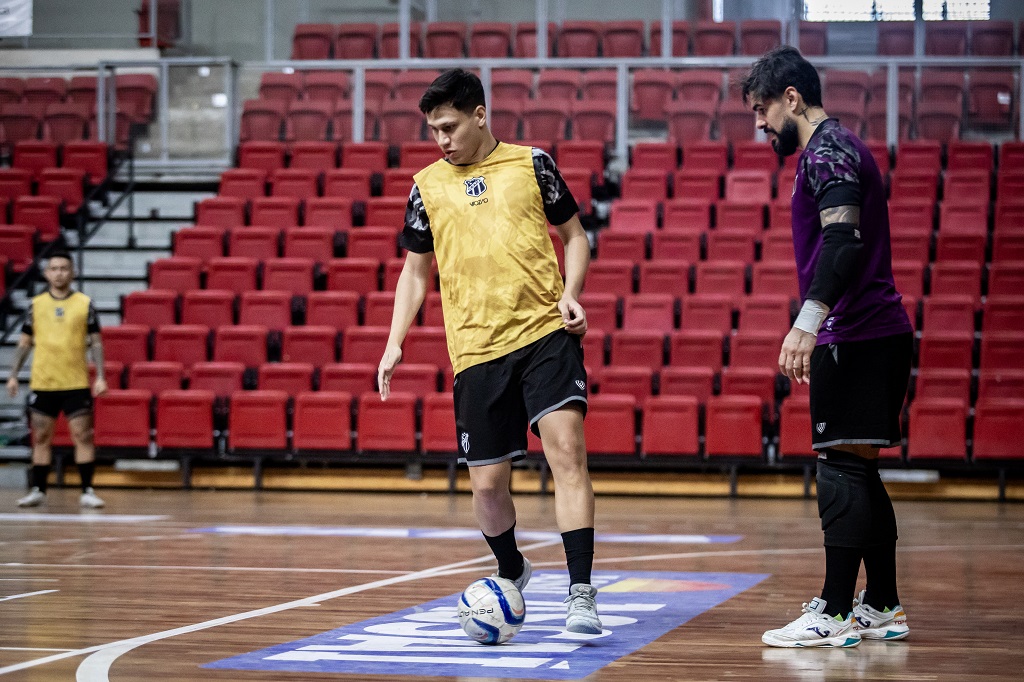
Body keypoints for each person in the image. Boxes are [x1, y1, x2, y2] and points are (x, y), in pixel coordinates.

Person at [377, 69, 602, 634]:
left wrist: (570, 294)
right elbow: (414, 272)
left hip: (544, 335)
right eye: (433, 131)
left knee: (566, 453)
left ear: (480, 115)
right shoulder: (425, 185)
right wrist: (394, 340)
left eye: (450, 126)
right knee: (486, 485)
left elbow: (576, 236)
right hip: (476, 351)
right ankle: (511, 569)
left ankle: (580, 593)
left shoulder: (532, 164)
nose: (442, 140)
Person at [742, 47, 913, 648]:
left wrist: (806, 323)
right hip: (875, 331)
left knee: (840, 465)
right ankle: (882, 604)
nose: (760, 125)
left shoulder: (829, 150)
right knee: (859, 468)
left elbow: (841, 238)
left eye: (763, 111)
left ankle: (836, 611)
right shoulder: (832, 150)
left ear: (792, 98)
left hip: (858, 334)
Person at [6, 251, 107, 508]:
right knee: (41, 437)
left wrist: (101, 376)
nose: (59, 272)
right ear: (47, 273)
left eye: (64, 268)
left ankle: (88, 490)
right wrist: (13, 375)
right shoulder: (36, 305)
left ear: (72, 272)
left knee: (82, 435)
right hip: (44, 381)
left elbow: (96, 342)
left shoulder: (84, 303)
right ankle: (38, 489)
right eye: (55, 268)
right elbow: (25, 341)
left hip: (75, 381)